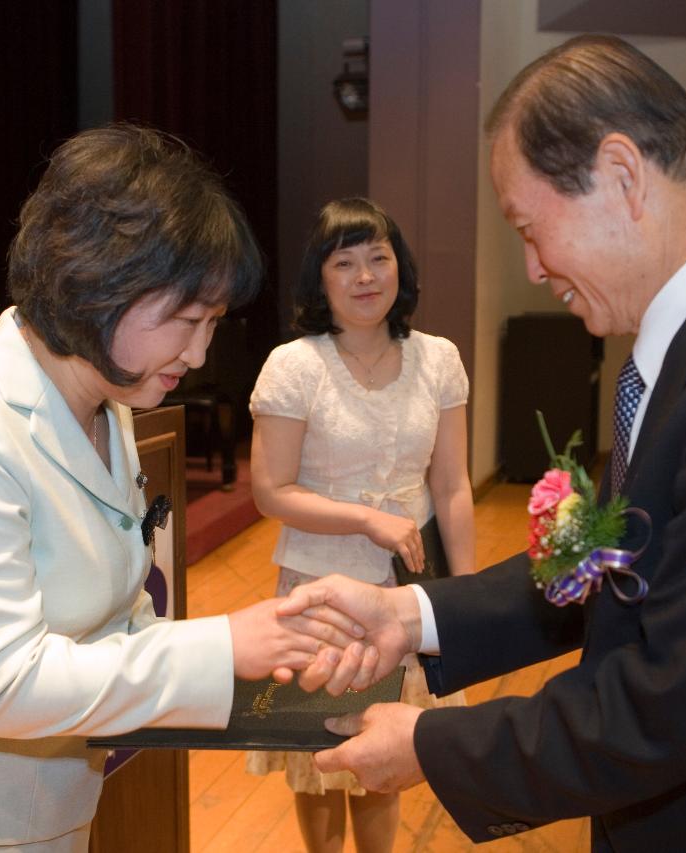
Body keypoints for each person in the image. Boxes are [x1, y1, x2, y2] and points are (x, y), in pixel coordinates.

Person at [280, 35, 686, 852]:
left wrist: (429, 745)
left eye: (530, 229)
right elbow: (612, 573)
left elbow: (671, 703)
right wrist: (409, 614)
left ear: (623, 174)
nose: (530, 267)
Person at [0, 124, 359, 851]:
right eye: (186, 319)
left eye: (213, 323)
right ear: (99, 283)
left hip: (51, 807)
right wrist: (223, 647)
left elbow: (118, 608)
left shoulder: (105, 406)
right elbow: (6, 685)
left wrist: (268, 663)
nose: (200, 353)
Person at [245, 197, 476, 853]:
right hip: (319, 588)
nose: (366, 275)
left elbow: (453, 485)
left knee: (384, 756)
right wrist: (365, 517)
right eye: (345, 262)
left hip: (406, 591)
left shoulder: (438, 358)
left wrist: (468, 595)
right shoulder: (295, 366)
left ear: (399, 265)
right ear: (320, 278)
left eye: (379, 257)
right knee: (318, 755)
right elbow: (271, 490)